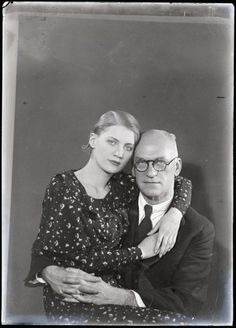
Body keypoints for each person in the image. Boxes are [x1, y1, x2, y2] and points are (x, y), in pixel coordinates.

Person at [25, 112, 192, 324]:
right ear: (93, 140)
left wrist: (175, 215)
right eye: (112, 142)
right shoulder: (64, 187)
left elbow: (181, 181)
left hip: (114, 292)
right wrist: (139, 251)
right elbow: (79, 260)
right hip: (76, 298)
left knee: (181, 320)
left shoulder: (123, 186)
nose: (119, 153)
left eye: (128, 147)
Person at [65, 129, 215, 322]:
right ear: (133, 169)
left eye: (160, 163)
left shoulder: (199, 229)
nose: (151, 173)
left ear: (176, 167)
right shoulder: (112, 205)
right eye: (142, 163)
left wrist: (123, 297)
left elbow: (187, 302)